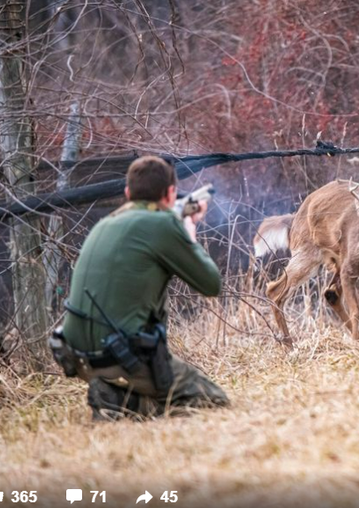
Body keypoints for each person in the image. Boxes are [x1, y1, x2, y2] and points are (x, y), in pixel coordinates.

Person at [51, 155, 229, 421]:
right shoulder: (163, 224)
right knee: (212, 399)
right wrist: (188, 230)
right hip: (122, 357)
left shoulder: (106, 224)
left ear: (127, 193)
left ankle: (110, 390)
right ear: (170, 193)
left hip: (76, 355)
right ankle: (121, 402)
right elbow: (211, 284)